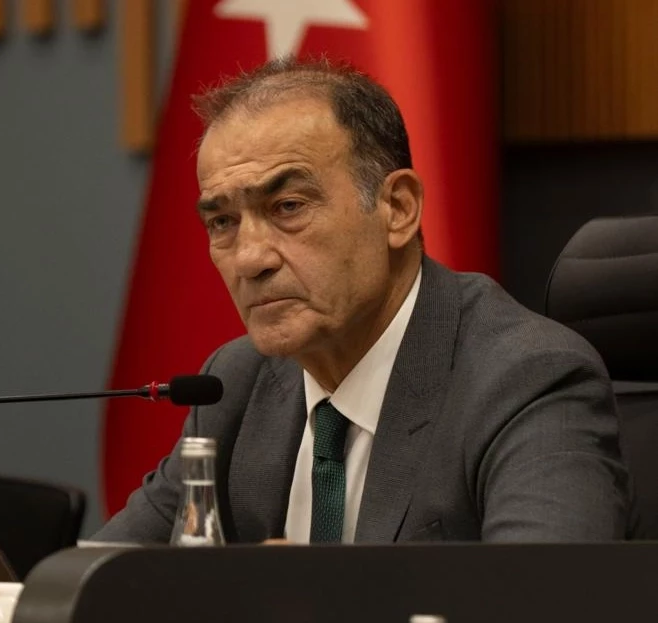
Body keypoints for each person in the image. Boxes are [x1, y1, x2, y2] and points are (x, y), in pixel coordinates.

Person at [94, 58, 630, 544]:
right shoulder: (235, 383)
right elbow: (93, 582)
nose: (250, 258)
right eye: (222, 222)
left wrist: (303, 601)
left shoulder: (524, 379)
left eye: (288, 206)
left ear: (398, 208)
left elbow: (542, 605)